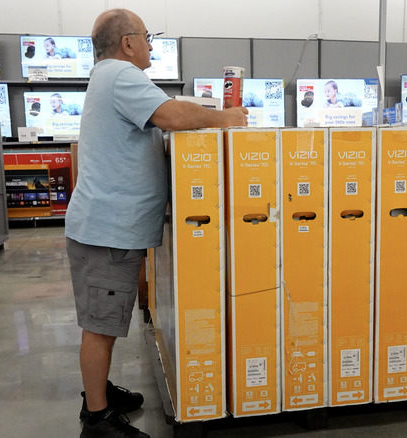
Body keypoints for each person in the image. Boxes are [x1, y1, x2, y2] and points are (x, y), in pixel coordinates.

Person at [65, 9, 248, 438]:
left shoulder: (108, 77)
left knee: (104, 321)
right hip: (106, 231)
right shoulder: (121, 76)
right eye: (147, 37)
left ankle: (100, 392)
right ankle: (97, 418)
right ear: (127, 43)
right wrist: (226, 118)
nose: (151, 44)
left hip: (109, 227)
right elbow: (172, 117)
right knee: (101, 327)